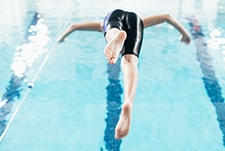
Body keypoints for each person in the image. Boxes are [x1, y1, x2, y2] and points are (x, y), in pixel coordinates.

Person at [57, 9, 191, 140]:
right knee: (130, 61)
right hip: (136, 21)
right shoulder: (142, 21)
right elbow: (167, 16)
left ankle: (114, 37)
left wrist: (61, 38)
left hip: (113, 18)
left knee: (110, 32)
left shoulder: (101, 24)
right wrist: (184, 34)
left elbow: (73, 26)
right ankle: (128, 102)